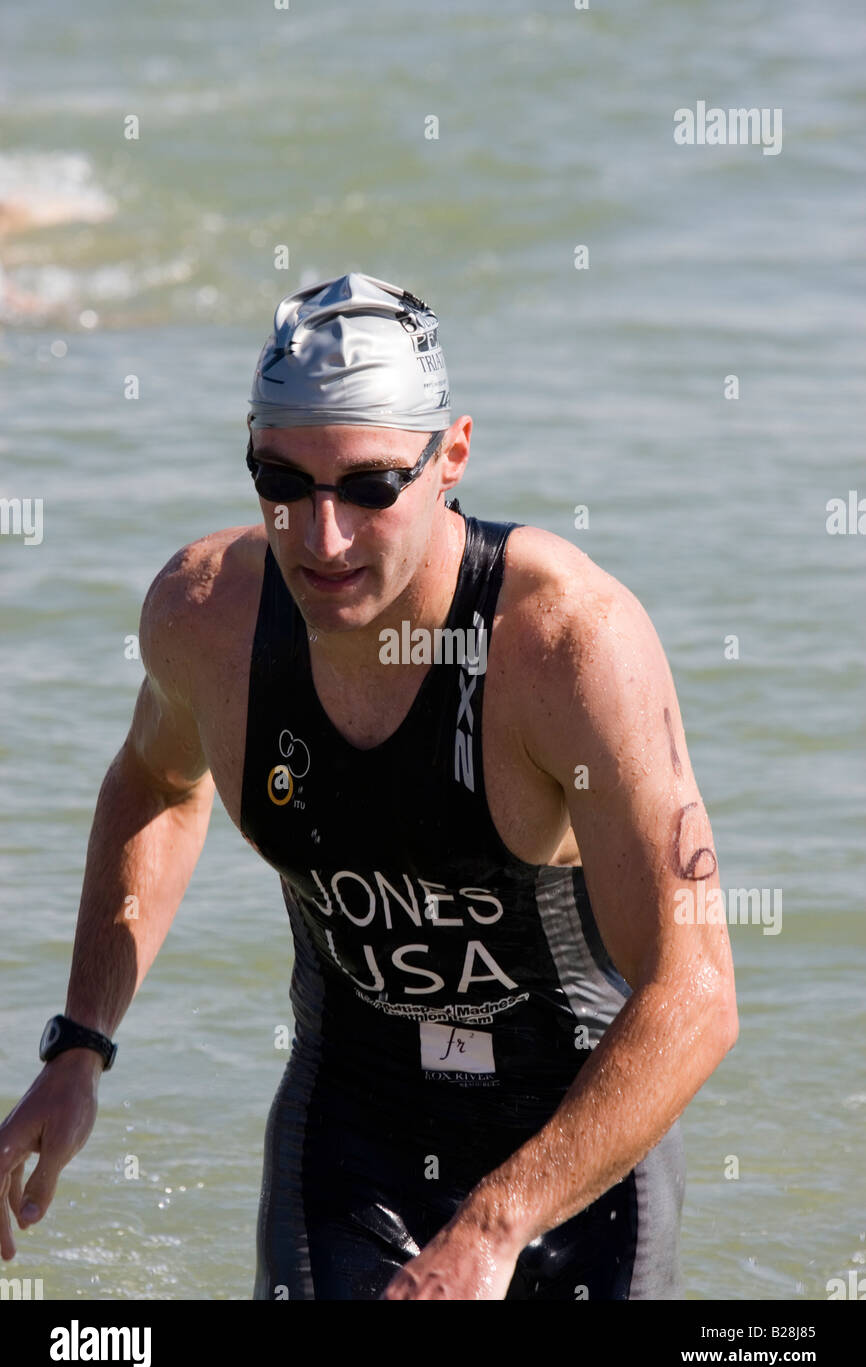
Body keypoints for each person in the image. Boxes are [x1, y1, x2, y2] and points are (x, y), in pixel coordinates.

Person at [0, 272, 738, 1300]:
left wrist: (491, 1228)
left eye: (368, 488)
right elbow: (156, 787)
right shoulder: (206, 619)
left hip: (575, 1141)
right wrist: (80, 1044)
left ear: (452, 456)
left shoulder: (568, 645)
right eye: (282, 482)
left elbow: (693, 994)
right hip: (350, 1124)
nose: (321, 536)